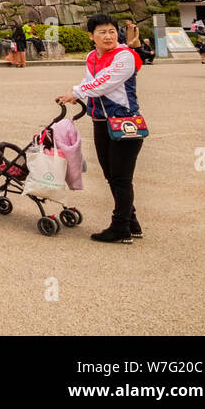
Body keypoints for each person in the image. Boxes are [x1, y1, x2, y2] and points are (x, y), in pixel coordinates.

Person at [56, 13, 145, 244]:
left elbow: (105, 82)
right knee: (111, 176)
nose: (108, 36)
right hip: (100, 122)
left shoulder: (125, 56)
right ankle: (131, 222)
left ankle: (120, 226)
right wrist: (77, 95)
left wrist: (76, 93)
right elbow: (90, 81)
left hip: (125, 122)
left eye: (112, 31)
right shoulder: (91, 56)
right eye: (102, 32)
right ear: (91, 36)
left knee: (121, 178)